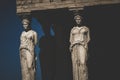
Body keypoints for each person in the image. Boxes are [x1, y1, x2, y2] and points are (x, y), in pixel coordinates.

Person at [69, 15, 90, 80]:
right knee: (75, 63)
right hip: (74, 46)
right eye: (77, 19)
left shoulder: (85, 29)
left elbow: (88, 39)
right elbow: (71, 40)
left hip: (82, 46)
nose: (78, 20)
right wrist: (71, 46)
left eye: (79, 19)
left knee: (83, 62)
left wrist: (85, 45)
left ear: (81, 20)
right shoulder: (73, 29)